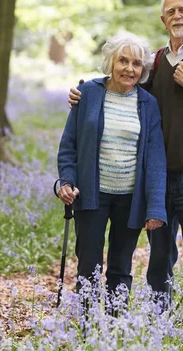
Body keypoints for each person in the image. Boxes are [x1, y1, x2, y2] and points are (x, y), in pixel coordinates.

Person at [68, 0, 183, 326]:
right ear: (163, 19)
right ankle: (161, 329)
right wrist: (84, 93)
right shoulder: (156, 62)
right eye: (170, 11)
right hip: (156, 181)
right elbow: (123, 85)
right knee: (159, 260)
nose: (177, 16)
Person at [57, 31, 167, 304]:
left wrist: (154, 207)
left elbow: (155, 160)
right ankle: (87, 326)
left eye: (136, 64)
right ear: (111, 62)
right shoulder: (87, 93)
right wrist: (66, 181)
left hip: (129, 199)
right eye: (123, 61)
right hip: (91, 195)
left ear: (143, 70)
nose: (129, 69)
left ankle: (115, 326)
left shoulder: (148, 104)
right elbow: (69, 145)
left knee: (121, 268)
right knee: (89, 265)